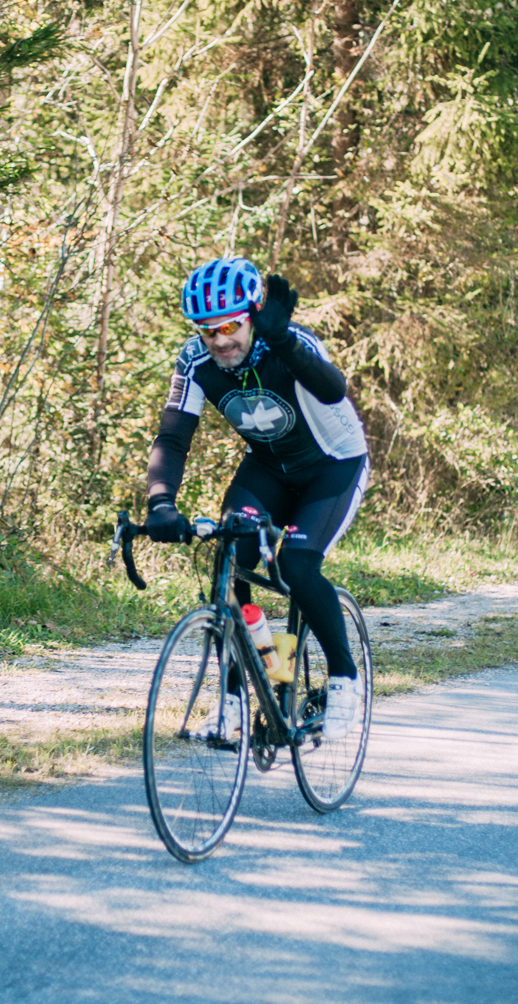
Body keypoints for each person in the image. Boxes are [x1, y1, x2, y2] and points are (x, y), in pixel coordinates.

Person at [144, 256, 368, 741]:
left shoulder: (289, 340)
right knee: (231, 563)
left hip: (334, 465)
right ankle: (241, 698)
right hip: (269, 469)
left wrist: (283, 339)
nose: (220, 340)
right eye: (207, 331)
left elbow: (333, 391)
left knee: (298, 567)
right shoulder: (195, 362)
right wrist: (160, 503)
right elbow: (173, 439)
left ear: (251, 316)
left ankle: (347, 682)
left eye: (229, 326)